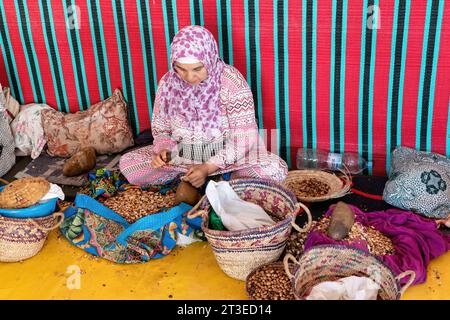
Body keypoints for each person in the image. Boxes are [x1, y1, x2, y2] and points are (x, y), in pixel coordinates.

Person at [119, 25, 287, 188]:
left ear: (209, 59)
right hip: (183, 157)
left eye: (197, 69)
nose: (189, 77)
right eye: (181, 69)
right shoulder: (167, 84)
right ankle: (199, 178)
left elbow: (244, 139)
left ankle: (217, 177)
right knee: (129, 164)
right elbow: (161, 129)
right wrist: (165, 151)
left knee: (274, 169)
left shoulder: (231, 82)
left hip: (229, 158)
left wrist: (208, 167)